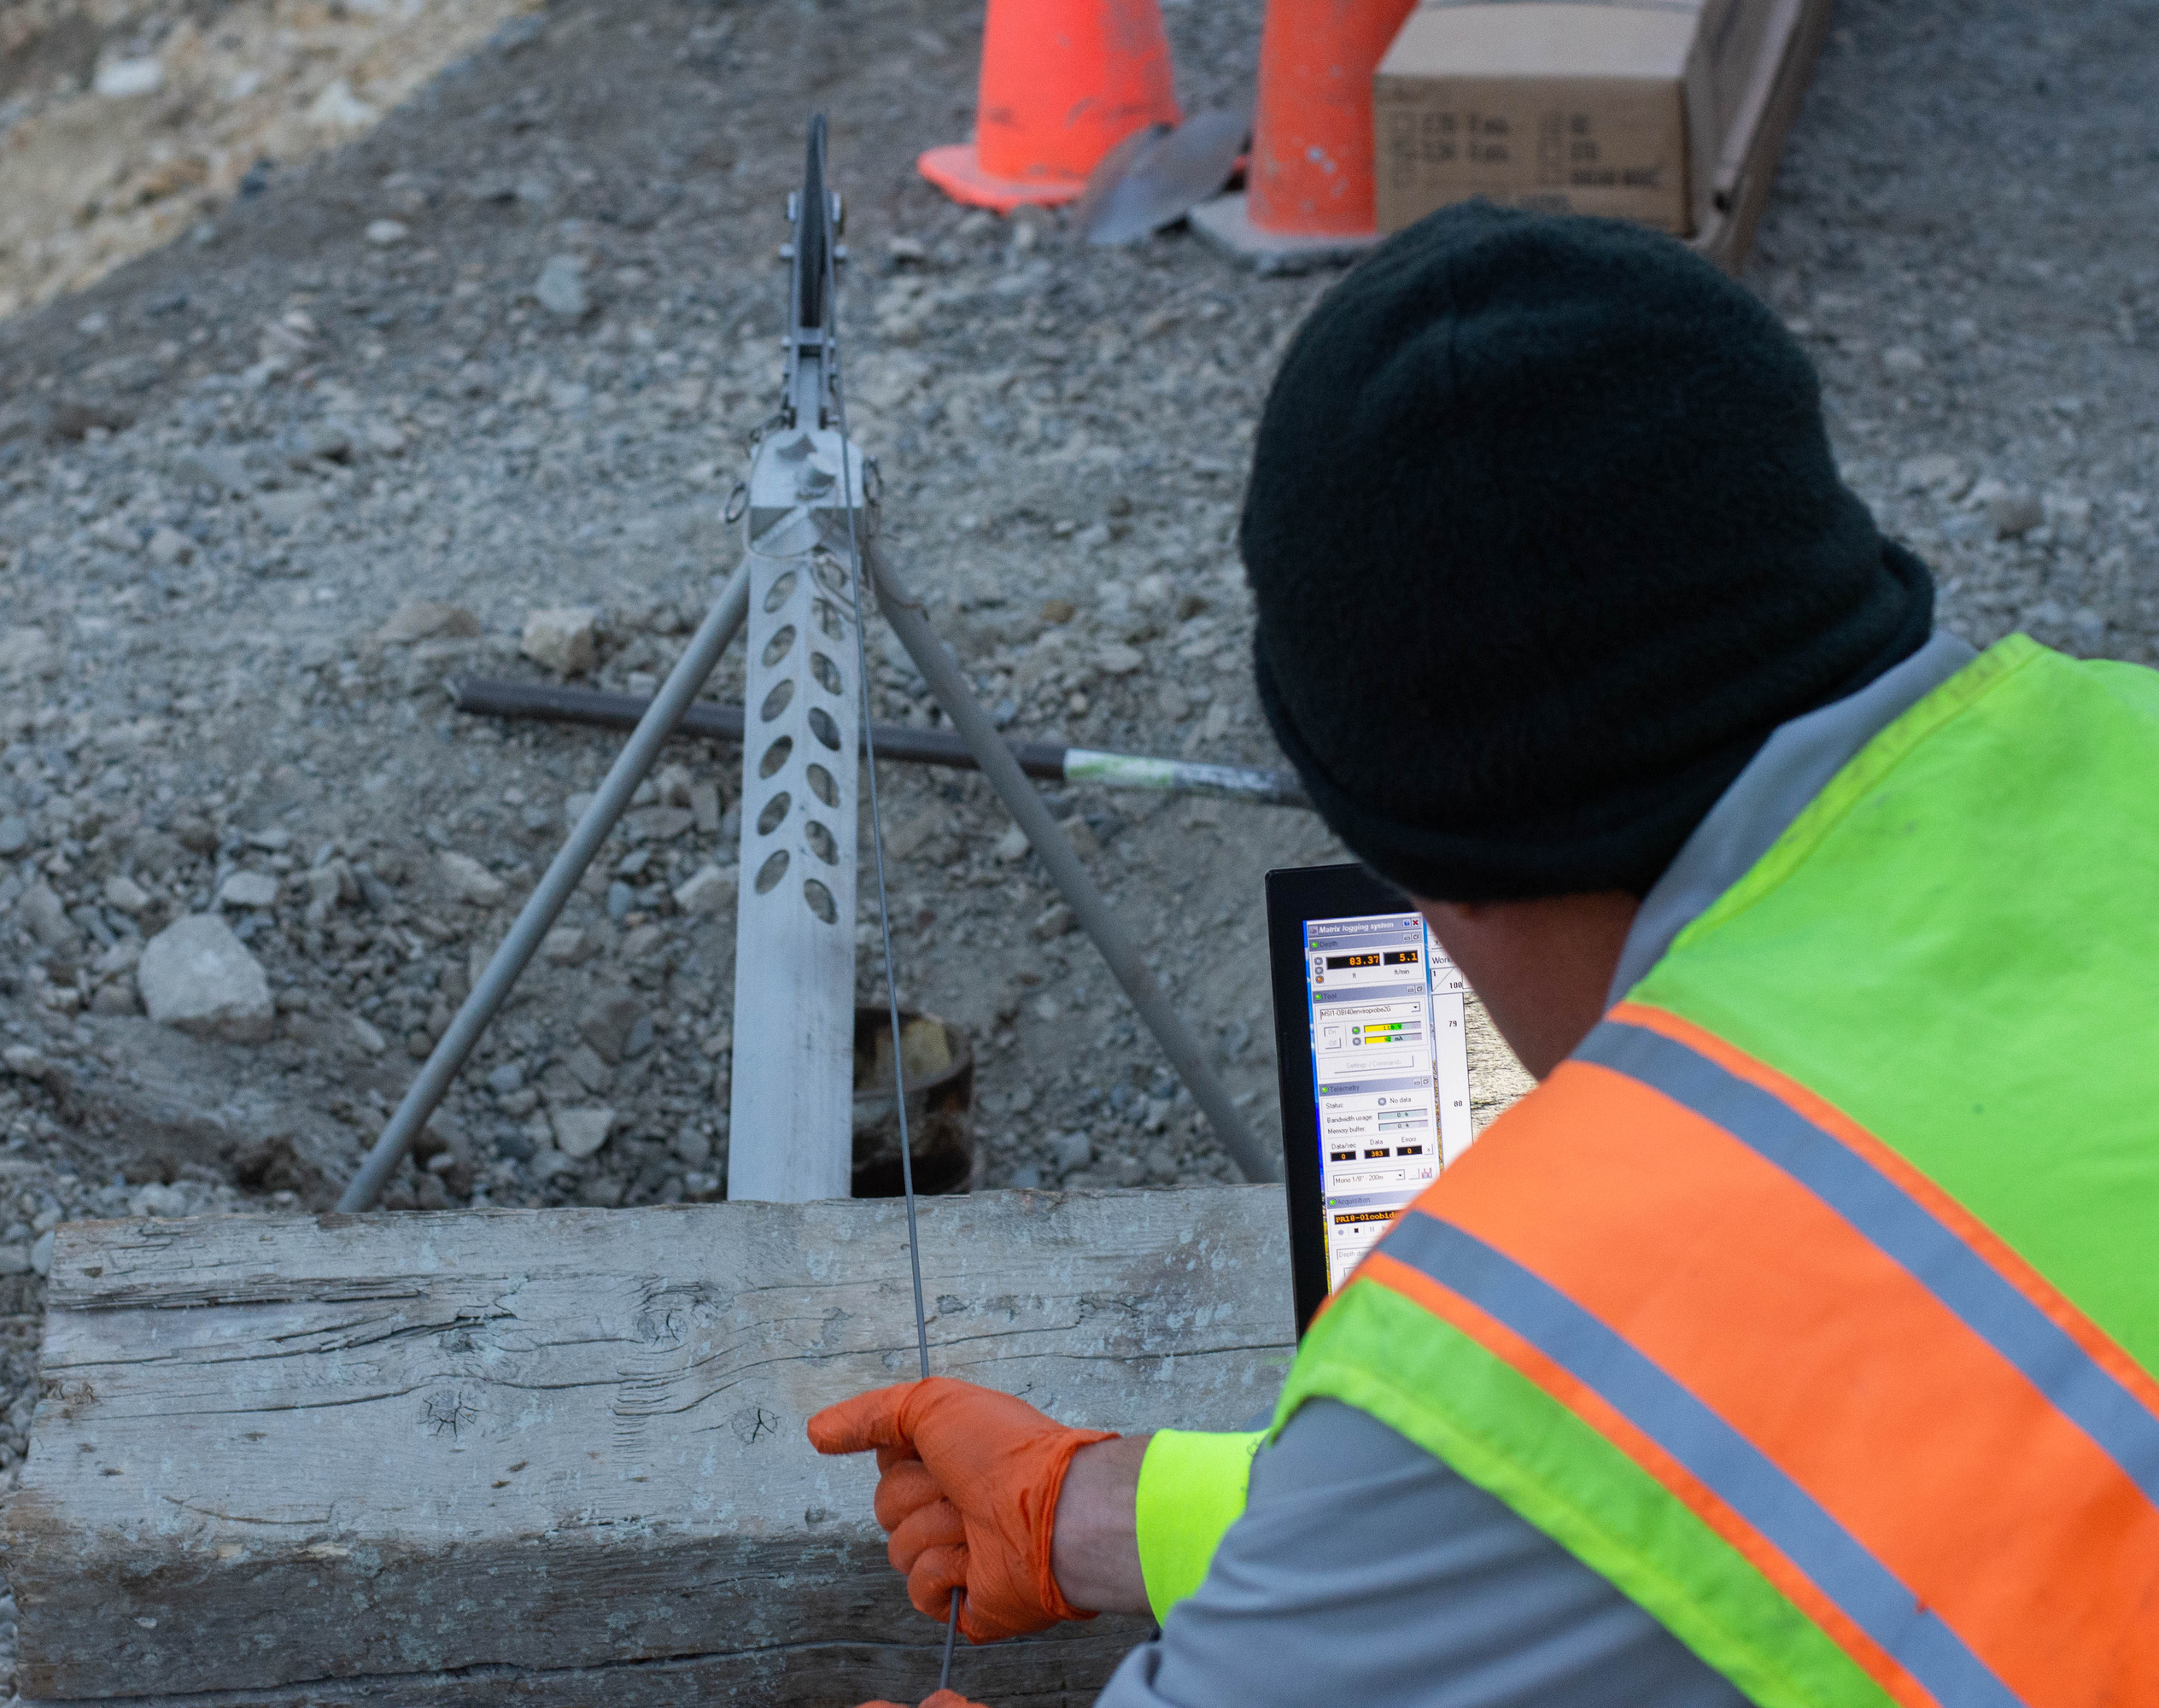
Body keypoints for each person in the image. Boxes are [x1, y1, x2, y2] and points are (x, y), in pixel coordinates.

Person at [810, 202, 2159, 1707]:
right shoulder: (2132, 739)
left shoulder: (1536, 1331)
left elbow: (1532, 1490)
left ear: (1429, 857)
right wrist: (1107, 1510)